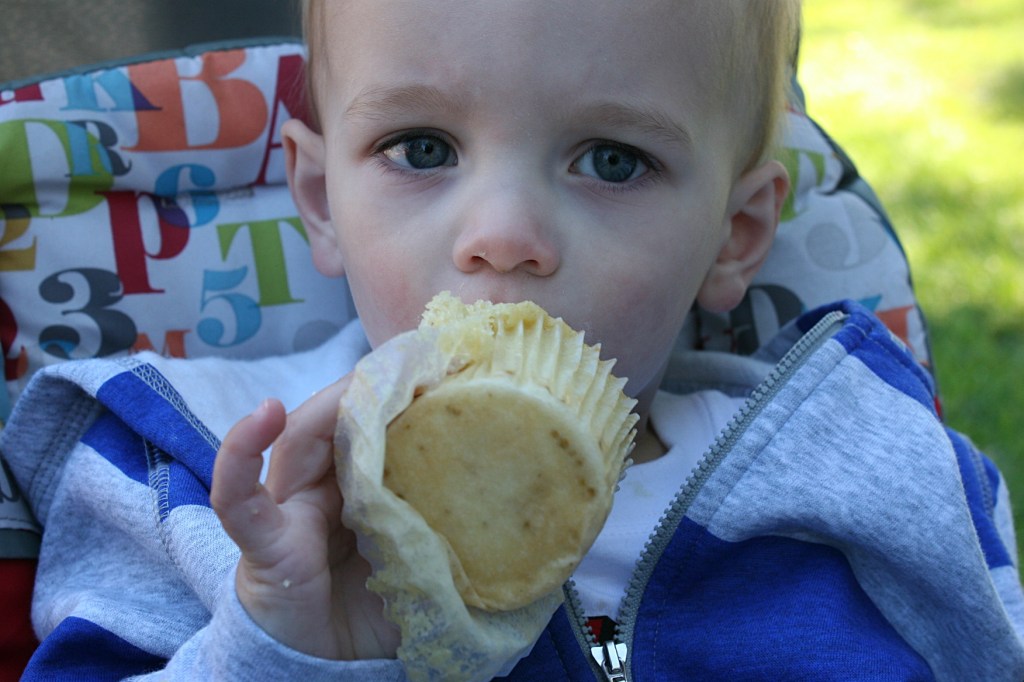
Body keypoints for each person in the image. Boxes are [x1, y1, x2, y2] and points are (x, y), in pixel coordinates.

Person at [2, 0, 1022, 679]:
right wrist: (277, 645)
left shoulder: (871, 484)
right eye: (422, 148)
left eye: (612, 161)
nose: (501, 236)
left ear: (734, 235)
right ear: (321, 198)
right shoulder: (186, 482)